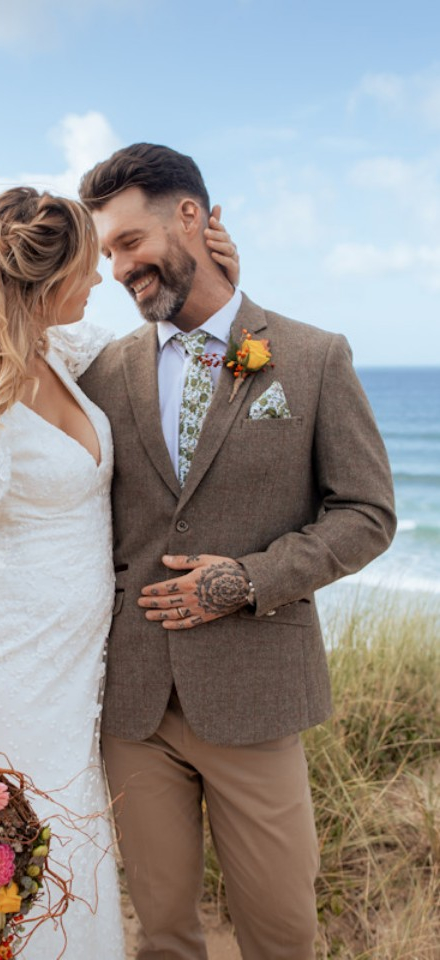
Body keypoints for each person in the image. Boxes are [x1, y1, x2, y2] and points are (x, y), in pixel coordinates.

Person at [0, 185, 239, 958]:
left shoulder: (69, 355)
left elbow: (186, 357)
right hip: (11, 684)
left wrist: (220, 280)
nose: (102, 279)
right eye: (89, 265)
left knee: (73, 877)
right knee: (8, 897)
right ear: (43, 285)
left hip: (80, 689)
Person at [77, 143, 397, 960]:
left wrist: (249, 579)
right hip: (134, 707)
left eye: (128, 243)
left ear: (192, 217)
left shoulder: (313, 356)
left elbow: (366, 512)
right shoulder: (103, 372)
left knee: (282, 933)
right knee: (163, 933)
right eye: (106, 251)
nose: (116, 268)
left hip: (257, 703)